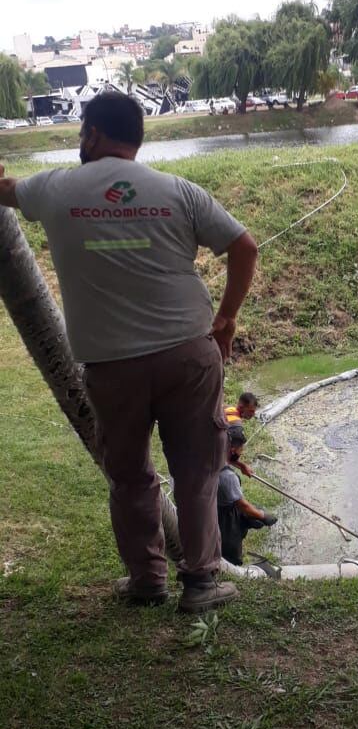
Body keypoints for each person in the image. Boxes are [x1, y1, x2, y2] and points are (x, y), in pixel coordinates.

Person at [0, 90, 258, 613]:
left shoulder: (55, 187)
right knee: (196, 472)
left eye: (81, 133)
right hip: (188, 355)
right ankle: (203, 583)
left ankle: (147, 581)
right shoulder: (177, 190)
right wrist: (226, 319)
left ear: (92, 134)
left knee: (130, 475)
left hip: (112, 367)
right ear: (136, 139)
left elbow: (6, 191)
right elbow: (244, 246)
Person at [218, 425, 277, 565]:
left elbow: (227, 458)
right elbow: (243, 506)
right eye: (241, 448)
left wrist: (241, 465)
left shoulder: (212, 457)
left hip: (210, 507)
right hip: (223, 516)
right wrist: (263, 516)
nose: (242, 452)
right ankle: (230, 567)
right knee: (230, 549)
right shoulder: (228, 477)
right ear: (232, 449)